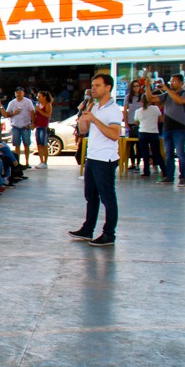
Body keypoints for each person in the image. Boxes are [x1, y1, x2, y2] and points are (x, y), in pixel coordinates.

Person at [70, 73, 122, 246]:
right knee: (90, 196)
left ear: (108, 87)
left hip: (105, 158)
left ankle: (109, 234)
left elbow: (114, 135)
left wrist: (95, 120)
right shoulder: (94, 107)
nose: (93, 88)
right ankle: (88, 229)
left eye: (97, 85)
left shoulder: (113, 109)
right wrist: (83, 117)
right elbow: (84, 130)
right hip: (92, 157)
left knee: (107, 197)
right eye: (92, 85)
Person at [147, 74, 185, 187]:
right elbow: (150, 98)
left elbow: (180, 101)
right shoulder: (166, 95)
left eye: (174, 81)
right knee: (168, 153)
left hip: (180, 128)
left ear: (181, 83)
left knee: (180, 153)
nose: (171, 83)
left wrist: (166, 89)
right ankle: (169, 176)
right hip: (167, 128)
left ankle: (183, 177)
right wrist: (147, 87)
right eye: (170, 81)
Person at [133, 95, 164, 177]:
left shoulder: (138, 111)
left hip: (142, 132)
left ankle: (146, 171)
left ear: (141, 102)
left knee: (144, 153)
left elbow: (136, 122)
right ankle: (164, 170)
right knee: (156, 152)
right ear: (150, 101)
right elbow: (160, 119)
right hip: (154, 132)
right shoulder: (155, 109)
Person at [6, 87, 36, 167]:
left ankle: (27, 162)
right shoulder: (12, 103)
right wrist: (14, 113)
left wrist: (33, 123)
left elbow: (32, 112)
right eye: (17, 92)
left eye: (20, 92)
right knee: (16, 145)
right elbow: (7, 114)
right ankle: (18, 162)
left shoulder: (28, 102)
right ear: (15, 94)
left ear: (23, 93)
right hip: (15, 126)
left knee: (26, 144)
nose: (18, 94)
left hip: (26, 125)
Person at [122, 80, 144, 173]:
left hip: (140, 123)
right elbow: (125, 110)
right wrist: (126, 123)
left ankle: (138, 164)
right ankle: (132, 163)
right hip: (131, 122)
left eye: (138, 86)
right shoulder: (128, 97)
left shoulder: (143, 96)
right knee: (131, 145)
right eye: (134, 86)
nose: (136, 88)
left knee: (139, 145)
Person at [33, 91, 53, 169]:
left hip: (44, 127)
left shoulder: (48, 105)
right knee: (39, 145)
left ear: (44, 97)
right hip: (38, 126)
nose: (38, 98)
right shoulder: (38, 105)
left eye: (40, 96)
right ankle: (41, 161)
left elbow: (48, 115)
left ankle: (45, 162)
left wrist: (39, 110)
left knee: (44, 145)